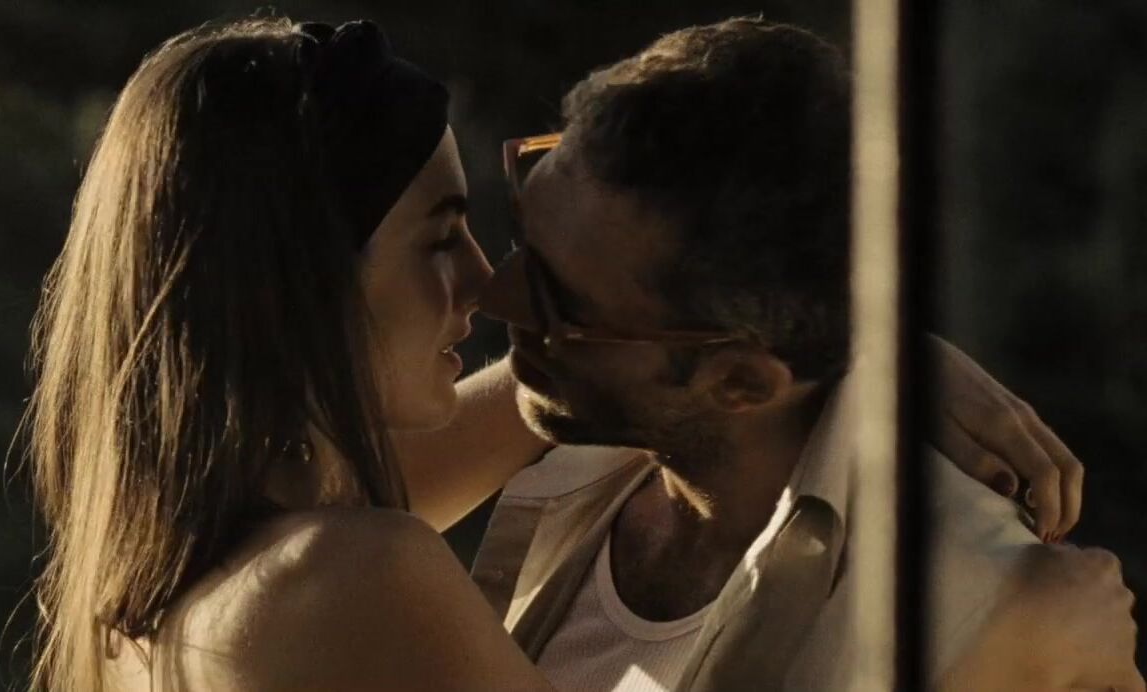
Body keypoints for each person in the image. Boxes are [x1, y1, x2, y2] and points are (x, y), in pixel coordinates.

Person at [20, 15, 1126, 692]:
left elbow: (544, 390)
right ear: (298, 296)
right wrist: (1004, 651)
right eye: (441, 239)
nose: (486, 288)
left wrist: (849, 334)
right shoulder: (350, 574)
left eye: (491, 235)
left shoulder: (174, 538)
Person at [472, 16, 1141, 691]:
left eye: (561, 304)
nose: (493, 297)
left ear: (742, 381)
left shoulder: (972, 614)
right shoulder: (584, 453)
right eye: (524, 238)